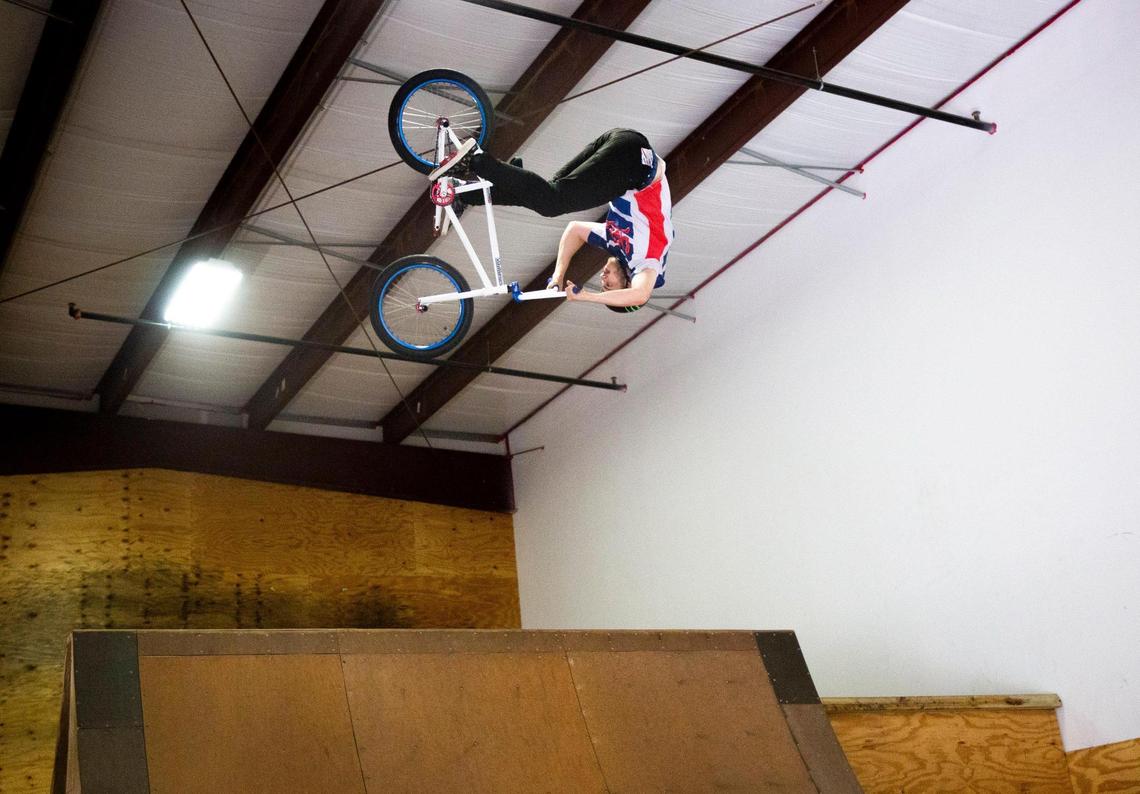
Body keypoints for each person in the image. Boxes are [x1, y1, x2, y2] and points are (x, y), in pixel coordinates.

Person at [430, 128, 674, 310]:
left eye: (603, 286)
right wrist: (588, 297)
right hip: (635, 164)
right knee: (551, 202)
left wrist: (558, 276)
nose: (602, 279)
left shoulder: (615, 243)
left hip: (622, 146)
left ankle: (464, 194)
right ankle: (475, 160)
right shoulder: (648, 261)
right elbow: (640, 296)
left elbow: (575, 229)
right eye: (609, 285)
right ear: (628, 284)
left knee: (543, 194)